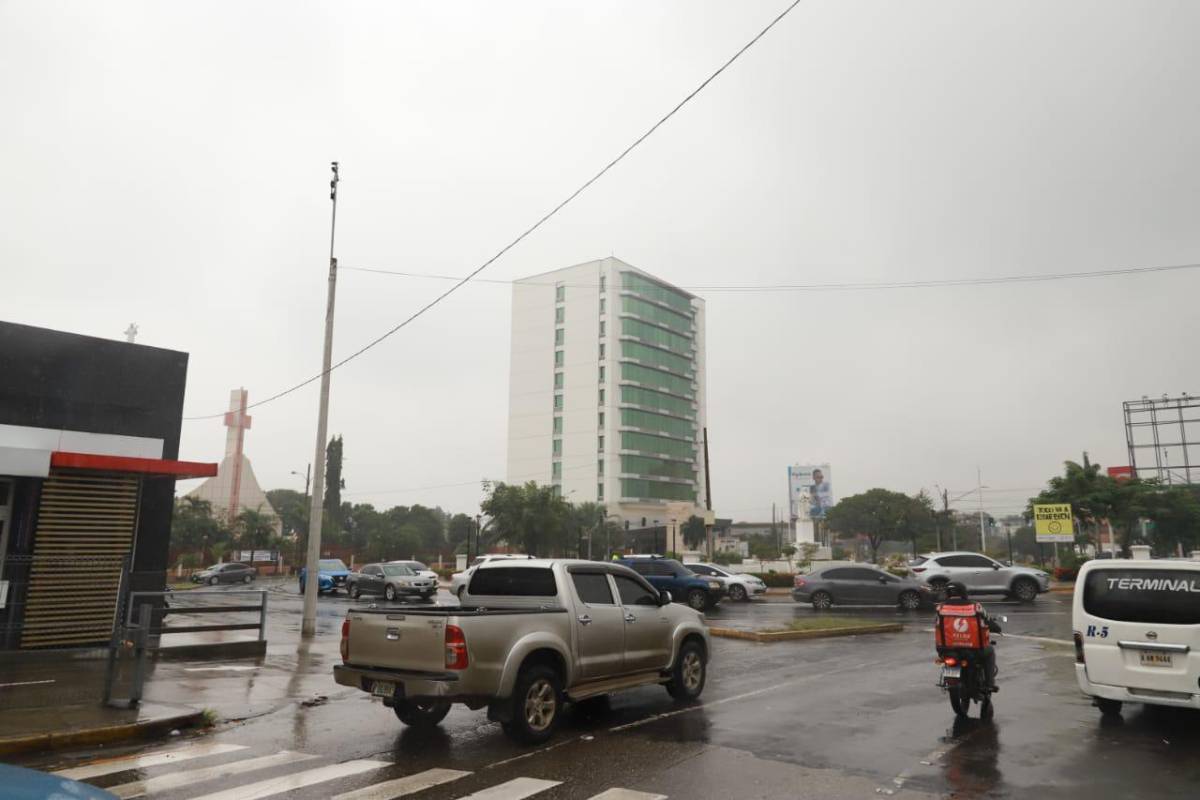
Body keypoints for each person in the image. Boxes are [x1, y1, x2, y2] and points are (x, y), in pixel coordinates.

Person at [939, 582, 1001, 689]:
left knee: (947, 659)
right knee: (990, 652)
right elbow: (989, 622)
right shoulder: (975, 607)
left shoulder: (940, 608)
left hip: (947, 649)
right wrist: (997, 628)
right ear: (964, 592)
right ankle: (989, 684)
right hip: (973, 649)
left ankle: (950, 679)